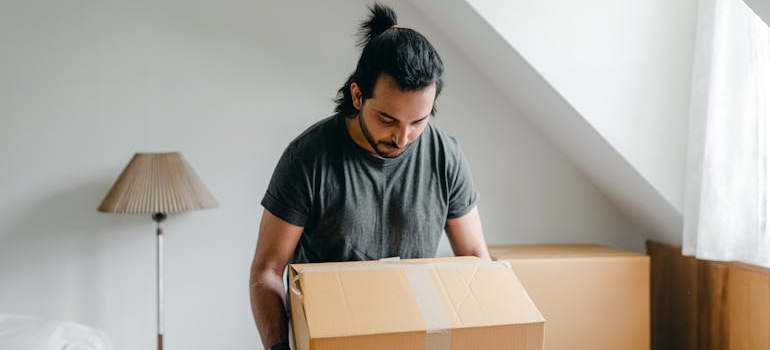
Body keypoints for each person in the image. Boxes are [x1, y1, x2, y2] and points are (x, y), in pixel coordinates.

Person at [249, 3, 490, 350]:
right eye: (388, 120)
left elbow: (474, 259)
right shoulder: (308, 158)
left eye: (418, 123)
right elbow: (267, 271)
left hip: (414, 334)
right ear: (358, 95)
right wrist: (277, 347)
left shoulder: (446, 155)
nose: (402, 138)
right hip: (329, 335)